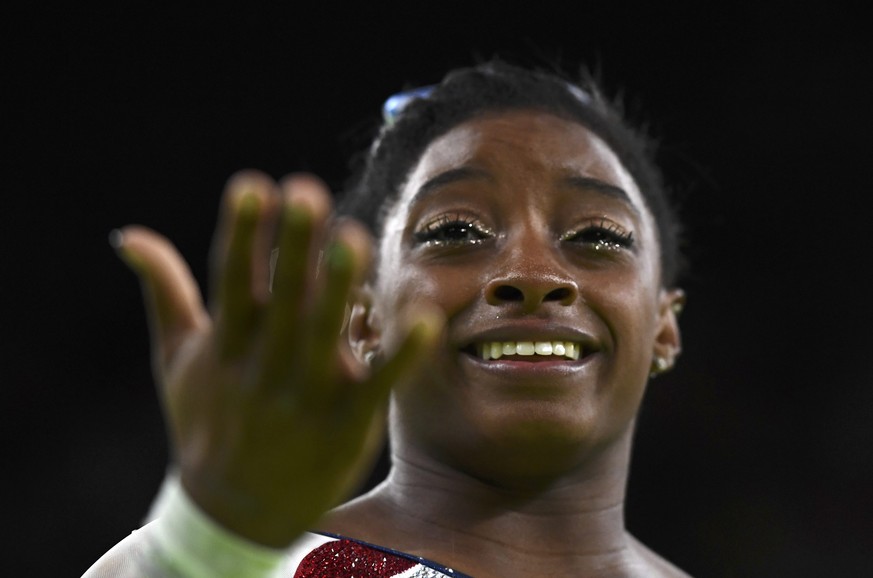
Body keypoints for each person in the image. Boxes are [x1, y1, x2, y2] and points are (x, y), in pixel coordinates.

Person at [84, 59, 690, 577]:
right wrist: (207, 544)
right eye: (456, 230)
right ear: (364, 315)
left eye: (598, 235)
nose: (531, 275)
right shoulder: (242, 560)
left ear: (664, 323)